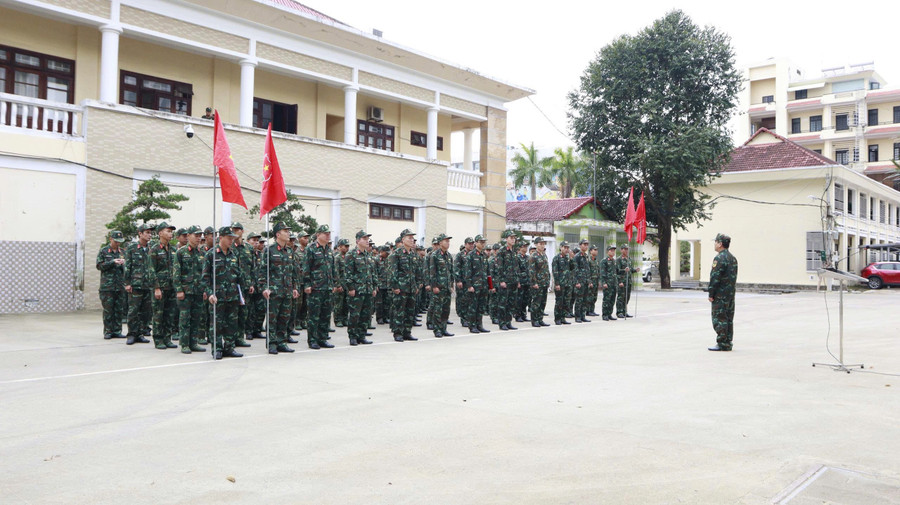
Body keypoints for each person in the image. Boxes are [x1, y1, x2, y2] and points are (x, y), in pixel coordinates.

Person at [203, 226, 245, 359]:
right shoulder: (211, 254)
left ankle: (229, 347)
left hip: (232, 295)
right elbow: (205, 278)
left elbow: (238, 276)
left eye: (232, 238)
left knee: (231, 323)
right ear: (220, 238)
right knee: (216, 324)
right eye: (228, 238)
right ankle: (217, 348)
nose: (231, 241)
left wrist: (241, 294)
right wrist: (210, 293)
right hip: (217, 296)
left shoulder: (234, 254)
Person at [260, 222, 299, 354]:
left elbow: (293, 271)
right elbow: (263, 271)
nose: (288, 233)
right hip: (274, 291)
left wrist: (295, 287)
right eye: (285, 231)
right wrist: (265, 287)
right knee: (272, 319)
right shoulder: (269, 250)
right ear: (278, 234)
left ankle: (282, 342)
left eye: (288, 231)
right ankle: (272, 343)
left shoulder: (289, 251)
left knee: (284, 318)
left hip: (287, 291)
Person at [171, 226, 207, 354]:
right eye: (196, 236)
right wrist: (179, 290)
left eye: (200, 236)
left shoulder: (202, 253)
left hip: (198, 291)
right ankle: (185, 344)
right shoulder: (181, 252)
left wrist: (204, 290)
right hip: (185, 291)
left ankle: (193, 342)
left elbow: (204, 273)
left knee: (196, 318)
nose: (198, 238)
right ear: (189, 236)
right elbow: (176, 273)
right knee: (185, 318)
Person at [303, 225, 336, 349]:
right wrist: (307, 284)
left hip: (327, 287)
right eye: (325, 233)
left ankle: (323, 338)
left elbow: (332, 269)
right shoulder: (311, 249)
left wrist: (333, 283)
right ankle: (312, 340)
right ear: (318, 235)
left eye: (329, 233)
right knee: (313, 316)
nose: (328, 236)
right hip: (315, 287)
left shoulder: (328, 250)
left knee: (326, 315)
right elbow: (306, 268)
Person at [345, 230, 376, 345]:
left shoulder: (368, 255)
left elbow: (372, 273)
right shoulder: (351, 254)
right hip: (357, 290)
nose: (367, 241)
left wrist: (374, 287)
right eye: (364, 239)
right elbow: (348, 273)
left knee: (366, 314)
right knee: (354, 314)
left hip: (367, 289)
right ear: (358, 240)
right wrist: (351, 288)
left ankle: (361, 335)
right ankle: (353, 336)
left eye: (368, 239)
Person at [124, 223, 154, 345]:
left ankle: (140, 333)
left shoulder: (152, 248)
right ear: (140, 234)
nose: (149, 235)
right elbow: (127, 266)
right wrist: (127, 283)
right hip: (135, 284)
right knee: (133, 310)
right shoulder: (132, 248)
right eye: (147, 232)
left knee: (145, 311)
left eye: (150, 233)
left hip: (148, 285)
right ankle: (132, 334)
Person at [707, 233, 738, 351]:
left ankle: (722, 343)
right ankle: (727, 342)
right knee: (729, 318)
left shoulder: (719, 258)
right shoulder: (732, 258)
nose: (714, 244)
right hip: (730, 294)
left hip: (720, 294)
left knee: (719, 318)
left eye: (715, 242)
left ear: (720, 244)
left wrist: (711, 293)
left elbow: (715, 277)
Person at [389, 229, 419, 342]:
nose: (412, 240)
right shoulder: (396, 253)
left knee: (410, 311)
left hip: (411, 287)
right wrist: (395, 286)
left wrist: (416, 286)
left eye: (412, 238)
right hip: (401, 288)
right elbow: (392, 272)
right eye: (409, 238)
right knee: (399, 311)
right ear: (403, 239)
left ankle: (407, 332)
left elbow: (415, 272)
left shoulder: (412, 254)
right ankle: (398, 333)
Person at [97, 230, 127, 340]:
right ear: (111, 239)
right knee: (108, 310)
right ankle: (108, 331)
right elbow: (99, 266)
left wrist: (124, 264)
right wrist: (112, 262)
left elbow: (127, 268)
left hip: (119, 286)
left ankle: (117, 330)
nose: (118, 243)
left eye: (120, 241)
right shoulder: (104, 251)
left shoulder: (123, 252)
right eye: (116, 241)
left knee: (119, 310)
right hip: (107, 287)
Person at [229, 222, 254, 348]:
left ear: (242, 231)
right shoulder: (229, 247)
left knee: (243, 314)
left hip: (245, 286)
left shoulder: (248, 248)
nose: (235, 232)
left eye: (238, 230)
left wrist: (252, 283)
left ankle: (240, 337)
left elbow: (253, 267)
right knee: (232, 315)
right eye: (233, 230)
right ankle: (231, 339)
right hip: (232, 286)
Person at [462, 235, 491, 334]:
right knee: (473, 307)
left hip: (483, 286)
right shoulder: (471, 255)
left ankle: (479, 325)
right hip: (474, 286)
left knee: (481, 307)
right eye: (481, 242)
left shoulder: (484, 255)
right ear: (476, 243)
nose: (483, 244)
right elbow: (467, 272)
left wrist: (490, 286)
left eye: (484, 242)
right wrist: (469, 285)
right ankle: (472, 326)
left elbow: (488, 272)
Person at [427, 233, 454, 338]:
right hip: (438, 287)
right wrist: (434, 286)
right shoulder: (435, 255)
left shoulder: (449, 255)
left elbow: (451, 272)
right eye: (446, 241)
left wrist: (452, 285)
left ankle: (444, 329)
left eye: (448, 241)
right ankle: (437, 330)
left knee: (446, 310)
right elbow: (432, 272)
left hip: (447, 287)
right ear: (440, 242)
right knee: (438, 310)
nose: (448, 243)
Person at [495, 230, 520, 331]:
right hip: (505, 281)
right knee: (503, 303)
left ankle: (508, 322)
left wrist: (517, 280)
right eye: (511, 238)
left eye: (514, 238)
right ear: (506, 239)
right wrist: (501, 280)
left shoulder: (514, 251)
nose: (513, 239)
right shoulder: (502, 251)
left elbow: (516, 267)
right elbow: (499, 267)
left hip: (513, 281)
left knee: (511, 303)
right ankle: (502, 323)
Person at [528, 237, 551, 327]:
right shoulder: (533, 256)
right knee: (536, 302)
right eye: (540, 244)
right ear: (536, 245)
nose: (542, 245)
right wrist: (534, 283)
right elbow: (531, 271)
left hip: (544, 282)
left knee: (543, 302)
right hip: (537, 283)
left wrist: (548, 280)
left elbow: (546, 269)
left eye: (543, 244)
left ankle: (540, 319)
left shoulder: (544, 255)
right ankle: (534, 320)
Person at [552, 242, 574, 325]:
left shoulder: (567, 258)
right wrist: (557, 284)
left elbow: (572, 268)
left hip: (567, 283)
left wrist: (572, 259)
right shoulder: (556, 258)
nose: (566, 249)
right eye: (565, 247)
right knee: (559, 302)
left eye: (568, 248)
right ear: (561, 247)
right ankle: (557, 318)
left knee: (566, 301)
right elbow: (555, 272)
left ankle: (563, 317)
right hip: (560, 284)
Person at [455, 238, 474, 328]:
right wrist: (458, 280)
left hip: (471, 282)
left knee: (470, 301)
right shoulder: (460, 255)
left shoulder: (473, 254)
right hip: (462, 282)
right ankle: (464, 319)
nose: (471, 245)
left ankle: (469, 318)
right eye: (469, 244)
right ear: (465, 244)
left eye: (472, 244)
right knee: (463, 301)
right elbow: (456, 268)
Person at [573, 239, 592, 323]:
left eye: (587, 244)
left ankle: (583, 315)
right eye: (584, 244)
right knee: (579, 300)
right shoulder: (577, 256)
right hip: (580, 282)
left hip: (586, 281)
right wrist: (577, 282)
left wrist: (589, 281)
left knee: (585, 300)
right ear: (580, 245)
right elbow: (575, 270)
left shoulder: (586, 256)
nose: (586, 246)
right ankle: (577, 316)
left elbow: (588, 269)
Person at [599, 245, 618, 321]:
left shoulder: (614, 261)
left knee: (612, 300)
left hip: (613, 283)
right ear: (607, 251)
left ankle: (610, 314)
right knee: (606, 299)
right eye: (611, 250)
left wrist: (624, 270)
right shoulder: (604, 261)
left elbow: (616, 271)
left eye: (614, 250)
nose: (613, 252)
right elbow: (602, 273)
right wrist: (604, 283)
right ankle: (605, 314)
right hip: (607, 283)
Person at [616, 244, 634, 319]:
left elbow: (631, 270)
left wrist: (635, 270)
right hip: (622, 281)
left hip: (628, 281)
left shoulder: (629, 259)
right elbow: (617, 271)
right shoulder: (619, 259)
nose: (626, 250)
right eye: (625, 249)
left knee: (627, 297)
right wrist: (620, 281)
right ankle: (619, 312)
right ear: (621, 250)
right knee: (621, 297)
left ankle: (624, 311)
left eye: (627, 249)